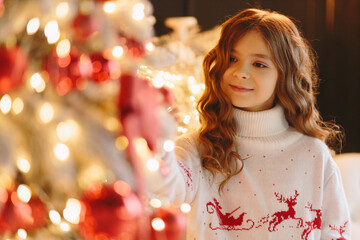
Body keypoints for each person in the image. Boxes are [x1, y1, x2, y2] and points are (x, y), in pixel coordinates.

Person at [147, 8, 351, 239]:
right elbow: (163, 192)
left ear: (285, 75)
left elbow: (336, 232)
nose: (240, 72)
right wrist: (159, 137)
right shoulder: (195, 150)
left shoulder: (313, 154)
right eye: (232, 59)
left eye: (259, 64)